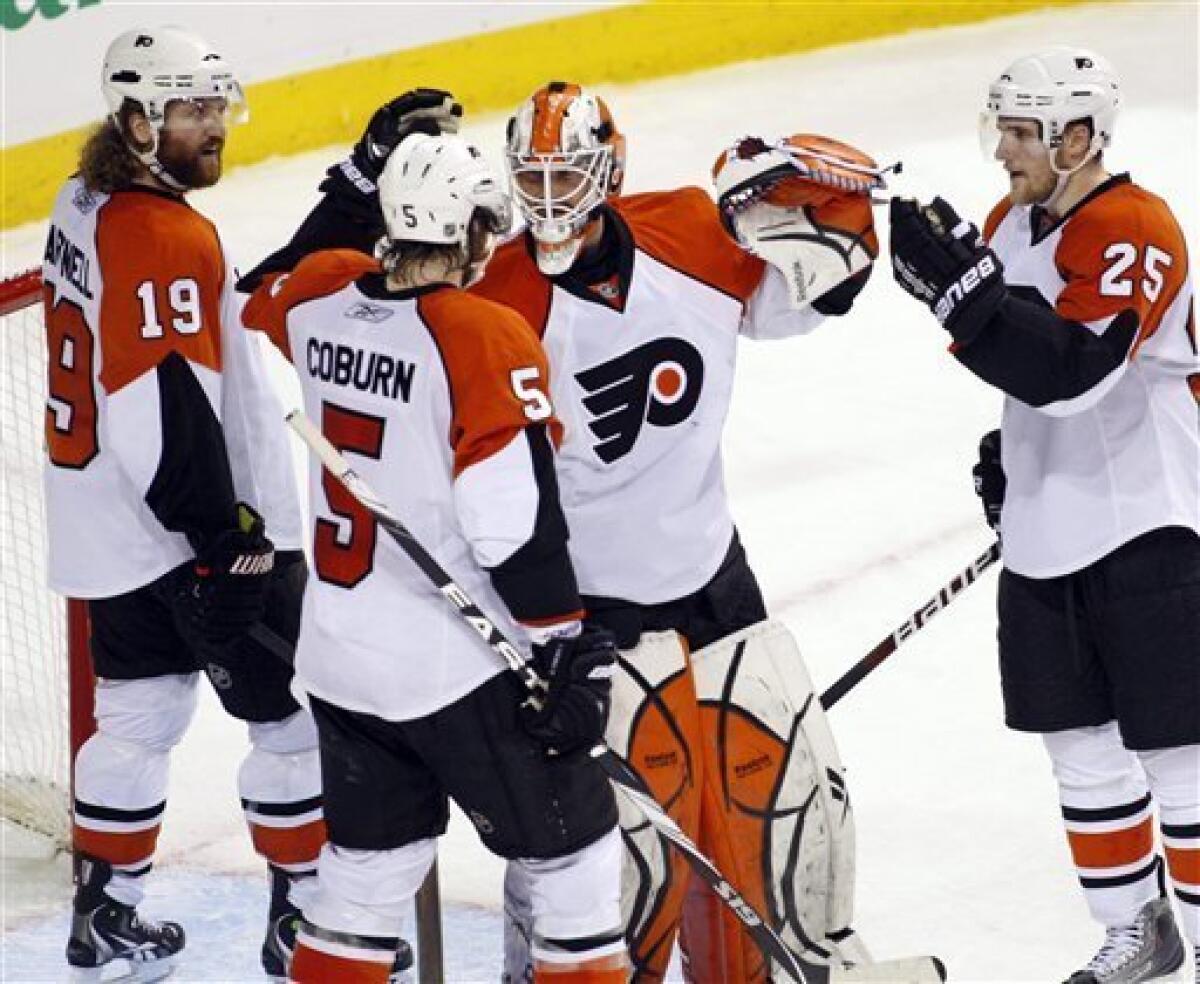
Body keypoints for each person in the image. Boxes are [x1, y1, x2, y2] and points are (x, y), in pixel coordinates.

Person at [241, 83, 941, 984]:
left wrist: (834, 205)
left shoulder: (692, 229)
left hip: (713, 577)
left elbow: (807, 295)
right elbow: (507, 516)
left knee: (786, 807)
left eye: (566, 173)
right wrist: (557, 638)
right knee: (617, 865)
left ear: (610, 170)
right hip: (587, 609)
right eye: (528, 178)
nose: (547, 198)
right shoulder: (489, 306)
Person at [240, 131, 629, 984]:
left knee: (364, 881)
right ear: (474, 232)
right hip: (457, 670)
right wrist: (564, 647)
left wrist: (350, 186)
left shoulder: (316, 300)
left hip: (342, 662)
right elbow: (511, 528)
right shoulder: (481, 333)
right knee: (575, 867)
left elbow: (260, 285)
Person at [41, 26, 353, 982]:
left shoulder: (83, 199)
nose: (213, 127)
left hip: (107, 529)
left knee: (134, 719)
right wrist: (227, 539)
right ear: (137, 121)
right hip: (190, 534)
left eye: (218, 106)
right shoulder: (167, 233)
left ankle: (107, 915)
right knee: (295, 717)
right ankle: (302, 919)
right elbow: (159, 403)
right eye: (190, 110)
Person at [889, 46, 1199, 984]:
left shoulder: (1135, 225)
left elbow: (1074, 372)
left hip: (1152, 527)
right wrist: (1010, 453)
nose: (1004, 152)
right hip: (1046, 532)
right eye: (1005, 131)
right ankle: (1135, 935)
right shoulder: (1008, 223)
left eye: (1021, 134)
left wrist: (966, 299)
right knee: (1082, 756)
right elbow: (1023, 372)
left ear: (1076, 138)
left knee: (1180, 760)